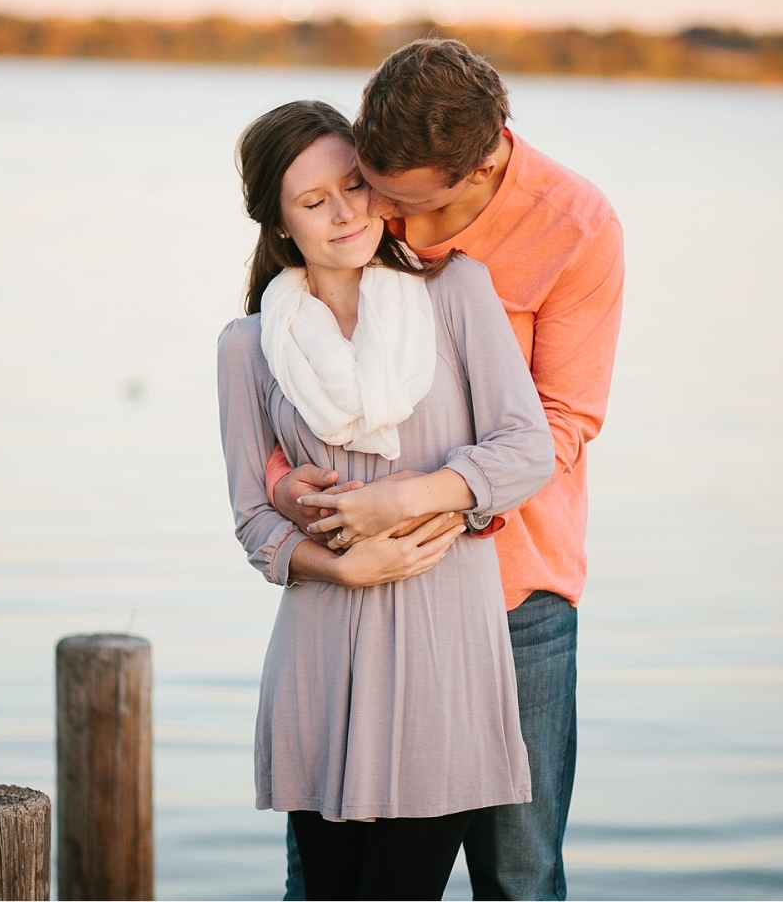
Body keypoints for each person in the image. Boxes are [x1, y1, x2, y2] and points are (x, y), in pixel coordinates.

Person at [271, 40, 625, 901]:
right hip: (363, 592)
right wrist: (284, 484)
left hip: (512, 600)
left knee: (518, 874)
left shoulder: (575, 229)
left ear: (483, 164)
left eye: (409, 202)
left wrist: (434, 505)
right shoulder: (355, 197)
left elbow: (564, 424)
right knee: (327, 876)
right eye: (371, 188)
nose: (387, 223)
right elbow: (287, 369)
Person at [217, 99, 555, 900]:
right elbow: (251, 518)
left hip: (444, 662)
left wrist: (407, 500)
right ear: (278, 222)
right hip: (319, 660)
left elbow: (526, 448)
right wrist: (342, 568)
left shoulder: (455, 292)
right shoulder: (246, 347)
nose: (345, 213)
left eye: (353, 185)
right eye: (313, 201)